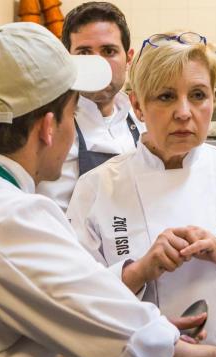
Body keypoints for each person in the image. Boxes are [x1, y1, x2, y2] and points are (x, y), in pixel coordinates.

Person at [0, 22, 216, 357]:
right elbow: (146, 347)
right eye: (74, 114)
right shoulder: (14, 221)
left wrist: (136, 325)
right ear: (47, 129)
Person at [67, 32, 216, 349]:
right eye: (166, 96)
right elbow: (75, 304)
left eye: (198, 95)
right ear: (138, 107)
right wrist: (139, 271)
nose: (184, 112)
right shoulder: (97, 188)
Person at [36, 2, 142, 212]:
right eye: (84, 53)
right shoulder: (46, 125)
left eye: (109, 51)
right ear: (68, 60)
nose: (98, 64)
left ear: (128, 59)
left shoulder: (142, 119)